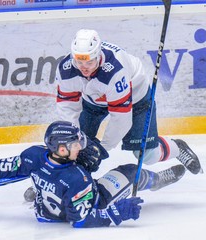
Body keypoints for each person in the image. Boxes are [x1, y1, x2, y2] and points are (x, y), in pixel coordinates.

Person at [0, 121, 186, 228]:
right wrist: (117, 212)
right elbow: (80, 219)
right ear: (61, 149)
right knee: (128, 171)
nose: (80, 146)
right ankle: (157, 180)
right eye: (75, 144)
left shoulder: (34, 156)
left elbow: (0, 170)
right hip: (90, 203)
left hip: (43, 214)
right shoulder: (79, 178)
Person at [55, 29, 202, 175]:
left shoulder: (115, 72)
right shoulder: (66, 69)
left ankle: (177, 147)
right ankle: (58, 181)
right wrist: (75, 139)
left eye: (89, 62)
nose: (83, 68)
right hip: (93, 101)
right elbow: (67, 109)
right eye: (79, 61)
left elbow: (121, 121)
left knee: (147, 155)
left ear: (98, 56)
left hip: (135, 98)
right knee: (71, 147)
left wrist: (101, 149)